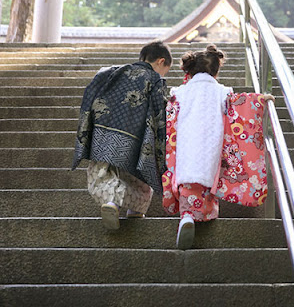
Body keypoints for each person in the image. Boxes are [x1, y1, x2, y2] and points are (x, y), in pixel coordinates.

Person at [162, 44, 274, 250]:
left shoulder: (181, 92)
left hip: (186, 144)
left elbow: (170, 113)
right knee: (209, 178)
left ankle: (187, 215)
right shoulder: (222, 92)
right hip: (211, 144)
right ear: (215, 71)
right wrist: (259, 99)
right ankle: (204, 214)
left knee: (187, 180)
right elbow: (239, 104)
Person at [72, 40, 172, 230]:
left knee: (101, 173)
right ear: (160, 61)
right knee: (139, 177)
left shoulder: (110, 72)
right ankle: (136, 211)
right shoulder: (155, 79)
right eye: (165, 70)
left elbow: (90, 93)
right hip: (138, 139)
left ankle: (110, 202)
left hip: (103, 132)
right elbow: (160, 113)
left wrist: (88, 130)